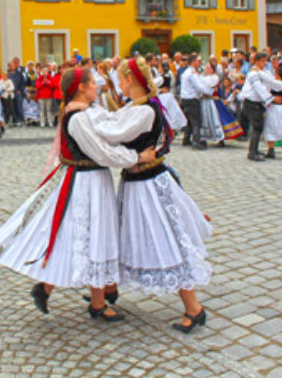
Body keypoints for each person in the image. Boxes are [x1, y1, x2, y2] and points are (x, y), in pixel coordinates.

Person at [0, 67, 155, 321]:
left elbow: (109, 131)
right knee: (92, 234)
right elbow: (101, 152)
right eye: (92, 83)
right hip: (87, 183)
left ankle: (66, 290)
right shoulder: (78, 118)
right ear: (81, 88)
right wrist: (137, 157)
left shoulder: (87, 113)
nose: (97, 87)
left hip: (94, 180)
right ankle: (96, 301)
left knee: (89, 235)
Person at [90, 57, 212, 333]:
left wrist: (82, 118)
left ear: (130, 80)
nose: (119, 84)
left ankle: (194, 308)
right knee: (125, 237)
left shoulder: (144, 111)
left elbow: (113, 131)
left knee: (165, 241)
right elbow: (111, 120)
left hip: (149, 186)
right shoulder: (135, 107)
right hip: (135, 183)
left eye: (121, 79)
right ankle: (106, 293)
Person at [239, 53, 282, 162]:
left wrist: (280, 85)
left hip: (257, 103)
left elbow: (271, 82)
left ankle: (254, 149)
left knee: (259, 127)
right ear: (257, 61)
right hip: (251, 103)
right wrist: (271, 98)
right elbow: (258, 88)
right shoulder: (253, 73)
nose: (265, 63)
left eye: (265, 61)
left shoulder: (263, 72)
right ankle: (252, 152)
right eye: (263, 61)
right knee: (257, 127)